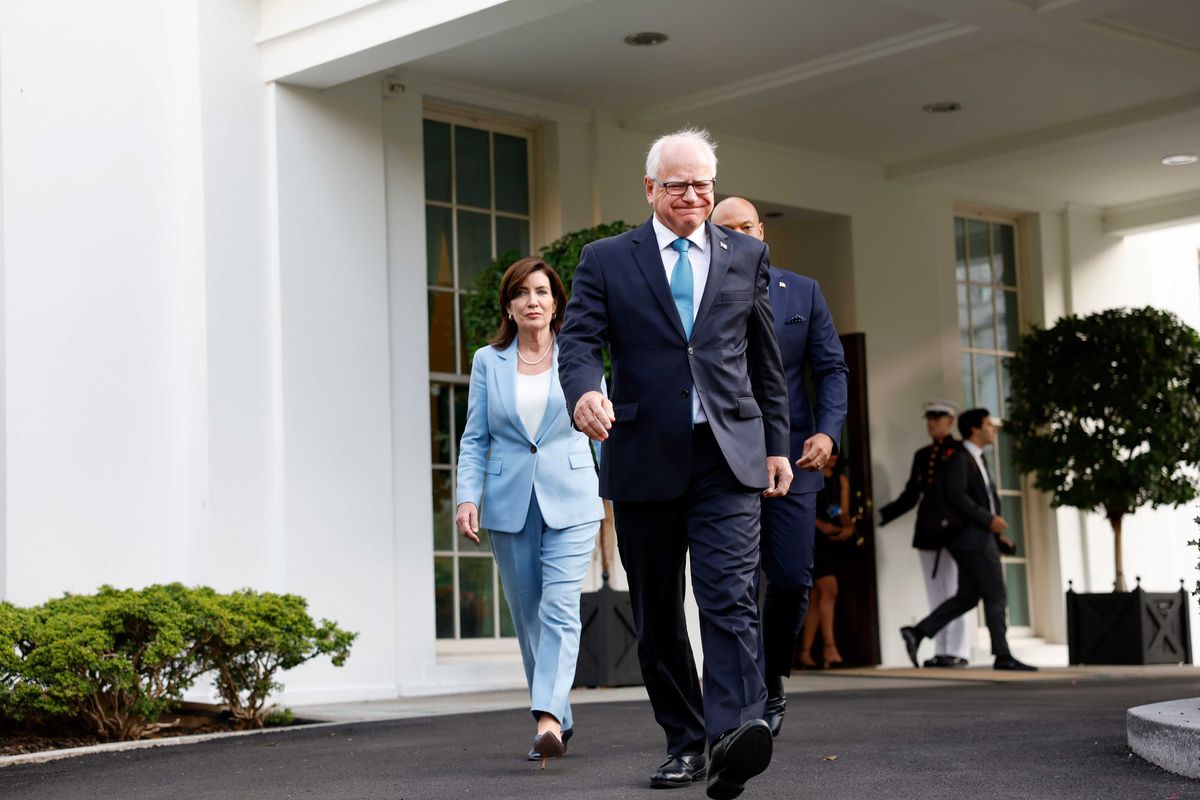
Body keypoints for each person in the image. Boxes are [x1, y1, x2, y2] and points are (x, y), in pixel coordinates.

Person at [558, 128, 792, 799]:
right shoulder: (606, 259)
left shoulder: (746, 254)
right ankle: (686, 741)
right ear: (650, 189)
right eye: (678, 184)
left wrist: (776, 444)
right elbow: (579, 344)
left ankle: (732, 737)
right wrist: (584, 393)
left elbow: (763, 360)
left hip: (728, 455)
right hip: (644, 455)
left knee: (727, 597)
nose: (692, 195)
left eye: (702, 184)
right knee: (658, 610)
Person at [455, 257, 606, 768]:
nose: (532, 300)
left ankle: (544, 718)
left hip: (573, 496)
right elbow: (476, 437)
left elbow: (602, 425)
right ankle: (558, 719)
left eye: (541, 291)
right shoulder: (487, 361)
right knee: (528, 618)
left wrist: (621, 490)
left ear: (557, 301)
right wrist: (466, 497)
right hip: (509, 504)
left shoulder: (579, 357)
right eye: (521, 293)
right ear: (509, 305)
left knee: (560, 608)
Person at [711, 196, 847, 736]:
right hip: (726, 456)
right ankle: (746, 697)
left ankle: (773, 676)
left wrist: (827, 432)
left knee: (790, 578)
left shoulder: (803, 291)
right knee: (734, 583)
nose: (740, 236)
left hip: (795, 455)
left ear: (762, 232)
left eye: (747, 227)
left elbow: (831, 368)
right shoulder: (704, 293)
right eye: (728, 230)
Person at [900, 408, 1037, 672]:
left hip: (979, 538)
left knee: (967, 597)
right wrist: (988, 520)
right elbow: (956, 496)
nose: (993, 429)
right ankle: (1003, 655)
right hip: (971, 539)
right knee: (996, 594)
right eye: (988, 424)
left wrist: (997, 535)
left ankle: (916, 633)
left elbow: (982, 497)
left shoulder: (976, 458)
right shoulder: (959, 458)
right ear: (974, 428)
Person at [878, 401, 973, 668]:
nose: (931, 422)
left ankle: (957, 650)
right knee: (936, 594)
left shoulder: (960, 452)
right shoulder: (923, 455)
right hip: (929, 531)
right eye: (929, 418)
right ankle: (942, 649)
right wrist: (883, 515)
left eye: (937, 417)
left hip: (954, 532)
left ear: (950, 421)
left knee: (956, 591)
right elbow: (911, 495)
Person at [798, 455, 855, 670]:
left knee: (817, 596)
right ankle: (830, 647)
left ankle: (806, 651)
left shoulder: (840, 480)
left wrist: (847, 528)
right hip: (813, 538)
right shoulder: (809, 476)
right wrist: (822, 526)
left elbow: (843, 511)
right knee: (829, 589)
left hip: (833, 542)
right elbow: (802, 508)